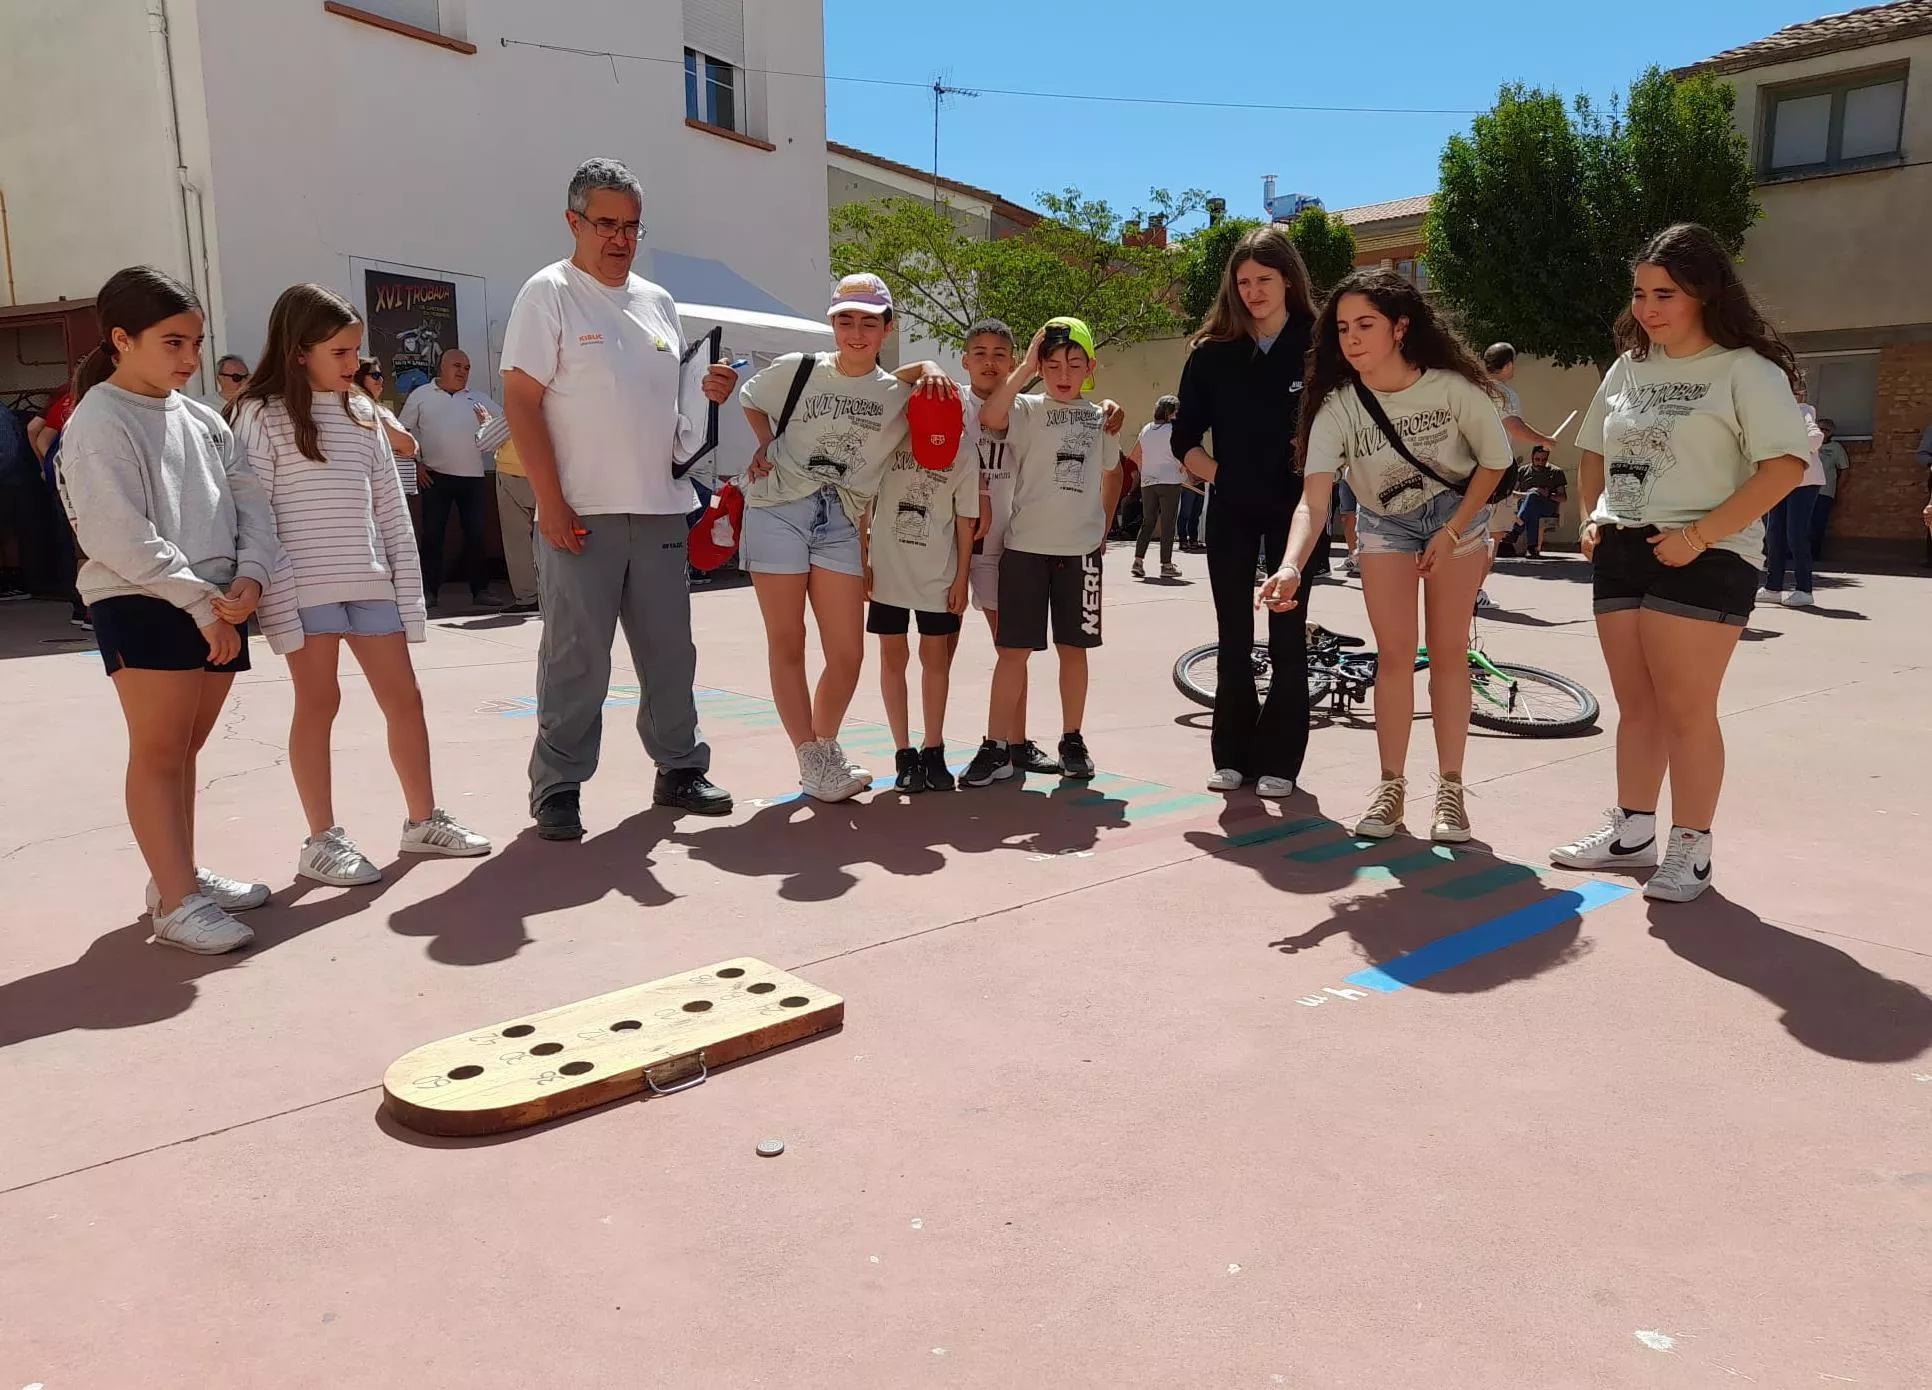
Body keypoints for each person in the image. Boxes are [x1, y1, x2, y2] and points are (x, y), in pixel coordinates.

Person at [1549, 223, 1811, 902]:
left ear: (1703, 293)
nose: (1647, 308)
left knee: (1686, 709)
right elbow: (1592, 448)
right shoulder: (1628, 367)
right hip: (1624, 549)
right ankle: (1632, 832)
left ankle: (1691, 850)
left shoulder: (1745, 370)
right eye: (1639, 294)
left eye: (1664, 293)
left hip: (1709, 552)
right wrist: (1593, 515)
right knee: (1636, 705)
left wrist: (1696, 538)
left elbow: (1784, 465)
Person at [499, 159, 736, 839]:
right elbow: (521, 399)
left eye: (631, 226)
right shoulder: (547, 293)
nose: (620, 238)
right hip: (581, 511)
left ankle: (680, 769)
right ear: (574, 222)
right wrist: (550, 501)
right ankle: (559, 785)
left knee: (670, 653)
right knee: (577, 656)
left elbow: (670, 408)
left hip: (660, 507)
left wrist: (707, 390)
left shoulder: (658, 302)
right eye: (605, 224)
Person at [56, 266, 285, 953]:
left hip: (217, 601)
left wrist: (251, 579)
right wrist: (199, 604)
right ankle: (177, 902)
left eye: (196, 343)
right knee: (158, 752)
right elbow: (115, 533)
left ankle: (175, 876)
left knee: (186, 750)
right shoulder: (98, 419)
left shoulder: (204, 418)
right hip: (144, 599)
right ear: (122, 340)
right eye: (173, 343)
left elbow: (249, 499)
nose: (191, 360)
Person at [232, 284, 491, 885]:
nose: (355, 366)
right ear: (299, 351)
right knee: (319, 704)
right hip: (304, 589)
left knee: (405, 700)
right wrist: (278, 597)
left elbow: (391, 512)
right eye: (341, 353)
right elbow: (255, 512)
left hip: (370, 583)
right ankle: (320, 840)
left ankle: (422, 821)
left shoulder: (365, 412)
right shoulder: (259, 415)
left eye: (356, 353)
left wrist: (407, 594)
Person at [1260, 267, 1511, 843]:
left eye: (1365, 324)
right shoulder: (1339, 406)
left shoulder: (1452, 389)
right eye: (1343, 327)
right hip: (1384, 525)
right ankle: (1390, 788)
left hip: (1457, 517)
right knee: (1394, 655)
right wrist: (1292, 564)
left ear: (1400, 327)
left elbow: (1494, 462)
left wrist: (1450, 531)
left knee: (1448, 652)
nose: (1351, 338)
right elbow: (1313, 503)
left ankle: (1450, 791)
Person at [738, 273, 956, 802]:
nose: (855, 332)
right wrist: (767, 444)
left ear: (887, 328)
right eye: (845, 320)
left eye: (868, 321)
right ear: (832, 322)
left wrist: (929, 366)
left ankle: (823, 746)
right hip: (780, 507)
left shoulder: (900, 395)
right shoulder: (799, 369)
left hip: (841, 520)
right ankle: (813, 758)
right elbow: (750, 396)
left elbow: (956, 413)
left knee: (847, 654)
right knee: (787, 641)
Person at [1172, 225, 1321, 799]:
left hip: (1296, 512)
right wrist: (1222, 476)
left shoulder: (1318, 344)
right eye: (1243, 282)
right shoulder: (1211, 352)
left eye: (1264, 279)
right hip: (1231, 508)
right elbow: (1184, 440)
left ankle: (1281, 760)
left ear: (1288, 279)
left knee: (1286, 636)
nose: (1254, 291)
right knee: (1233, 632)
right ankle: (1231, 755)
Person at [964, 317, 1122, 786]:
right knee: (1012, 652)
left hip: (1079, 556)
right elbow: (990, 416)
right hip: (1024, 550)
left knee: (1074, 651)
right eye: (1052, 364)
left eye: (1074, 364)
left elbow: (1113, 471)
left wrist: (1104, 525)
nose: (1063, 373)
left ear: (1090, 366)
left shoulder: (1101, 418)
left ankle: (1072, 739)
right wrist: (1025, 367)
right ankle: (995, 746)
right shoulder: (1028, 408)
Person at [866, 404, 978, 792]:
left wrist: (962, 576)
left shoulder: (964, 451)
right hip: (888, 569)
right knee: (892, 657)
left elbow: (966, 520)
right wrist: (863, 556)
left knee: (936, 659)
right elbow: (866, 498)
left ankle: (934, 747)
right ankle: (903, 751)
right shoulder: (890, 440)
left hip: (938, 575)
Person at [400, 347, 500, 611]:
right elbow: (400, 434)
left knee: (477, 535)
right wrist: (415, 465)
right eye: (457, 366)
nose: (462, 372)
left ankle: (481, 590)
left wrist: (487, 423)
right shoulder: (420, 396)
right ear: (441, 367)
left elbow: (505, 427)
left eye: (467, 368)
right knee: (433, 534)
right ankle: (429, 591)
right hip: (434, 477)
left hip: (473, 478)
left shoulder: (478, 399)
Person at [1761, 381, 1827, 607]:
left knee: (1795, 534)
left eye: (1798, 392)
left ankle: (1804, 589)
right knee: (1774, 534)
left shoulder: (1804, 411)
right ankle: (1773, 587)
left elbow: (1815, 439)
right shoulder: (1772, 415)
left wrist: (1786, 447)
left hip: (1805, 481)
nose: (1796, 396)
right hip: (1779, 481)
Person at [474, 401, 539, 614]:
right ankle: (553, 592)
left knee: (517, 541)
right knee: (548, 541)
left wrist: (485, 423)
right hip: (546, 477)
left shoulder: (519, 405)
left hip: (514, 475)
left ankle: (529, 597)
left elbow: (485, 441)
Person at [1128, 396, 1184, 579]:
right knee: (1168, 524)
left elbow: (1135, 456)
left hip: (1148, 482)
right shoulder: (1174, 430)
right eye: (1176, 411)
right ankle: (1166, 564)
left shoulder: (1146, 429)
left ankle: (1138, 561)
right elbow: (1181, 457)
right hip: (1170, 481)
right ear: (1169, 413)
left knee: (1148, 521)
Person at [352, 357, 419, 501]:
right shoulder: (366, 409)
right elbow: (407, 445)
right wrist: (410, 443)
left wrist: (410, 443)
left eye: (381, 375)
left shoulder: (380, 409)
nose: (381, 380)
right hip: (388, 494)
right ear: (359, 378)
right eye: (375, 375)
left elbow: (410, 446)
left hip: (401, 492)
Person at [1513, 445, 1568, 557]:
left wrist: (1547, 495)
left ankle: (1516, 529)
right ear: (1532, 457)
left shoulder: (1556, 472)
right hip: (1526, 506)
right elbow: (1512, 493)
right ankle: (1531, 548)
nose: (1540, 463)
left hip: (1547, 506)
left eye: (1544, 460)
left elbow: (1563, 498)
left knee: (1533, 503)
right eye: (1537, 459)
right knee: (1533, 508)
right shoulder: (1523, 471)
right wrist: (1530, 494)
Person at [1809, 416, 1848, 560]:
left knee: (1818, 522)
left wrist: (1838, 489)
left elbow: (1844, 469)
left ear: (1831, 432)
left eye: (1826, 430)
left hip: (1825, 491)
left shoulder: (1836, 448)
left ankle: (1814, 553)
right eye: (1819, 428)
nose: (1822, 432)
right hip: (1806, 489)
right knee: (1801, 522)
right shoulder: (1809, 444)